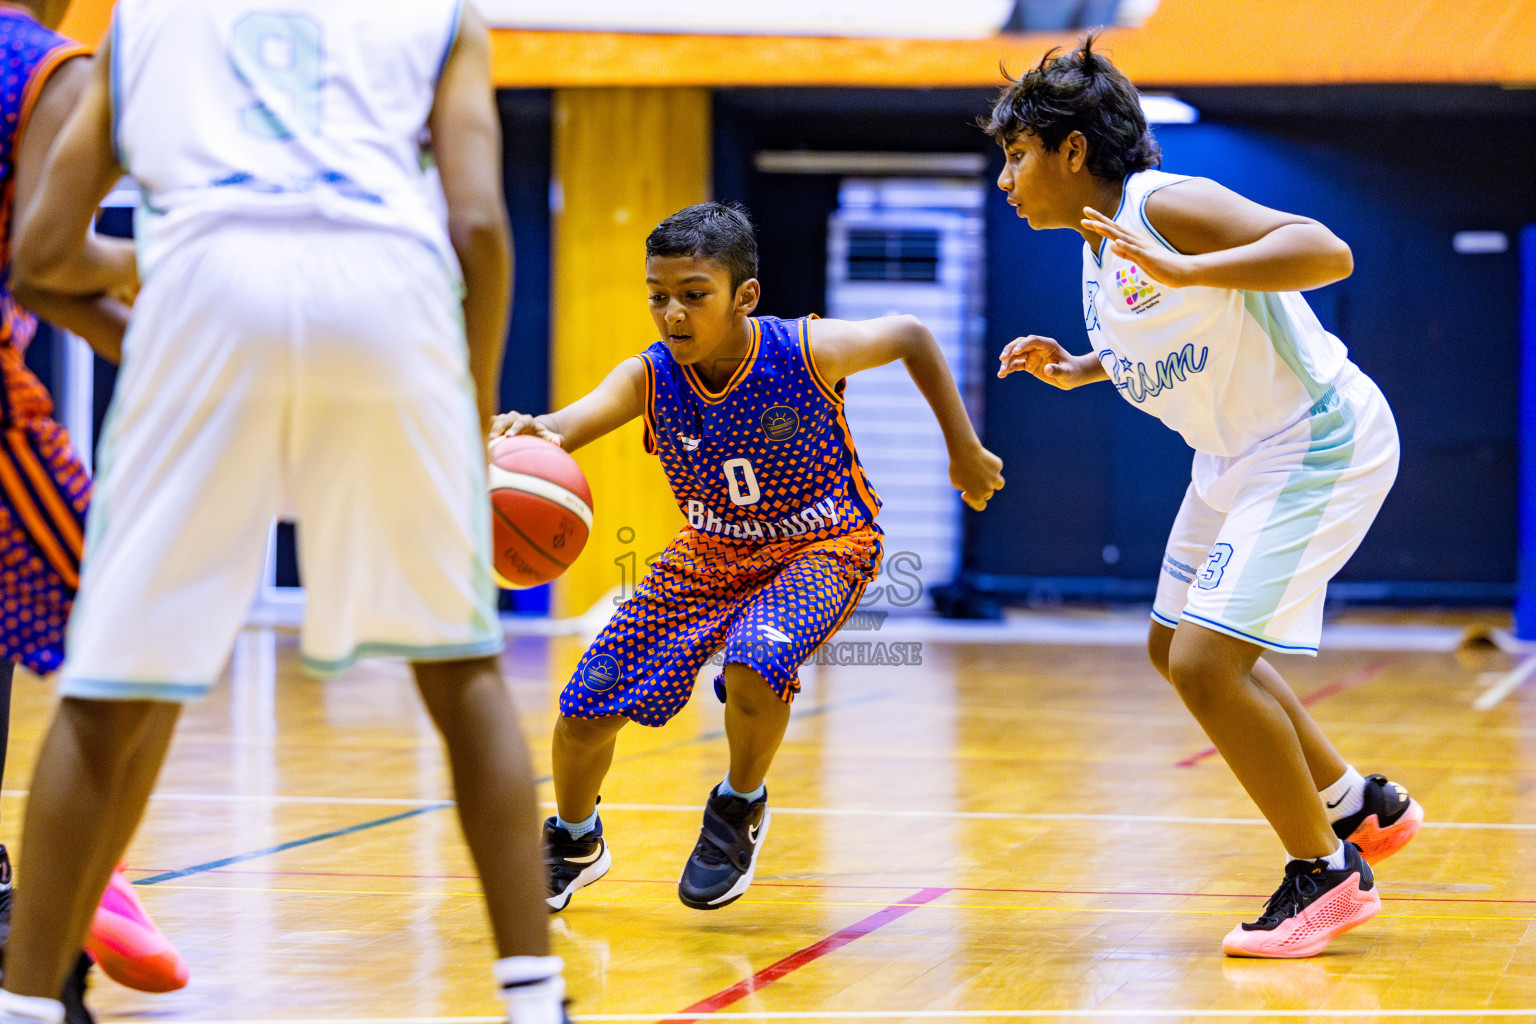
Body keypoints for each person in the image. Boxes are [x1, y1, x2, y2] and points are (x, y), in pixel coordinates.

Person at [0, 2, 565, 1023]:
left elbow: (43, 254)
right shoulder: (443, 19)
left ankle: (26, 1007)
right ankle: (537, 999)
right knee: (463, 672)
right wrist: (469, 421)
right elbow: (478, 226)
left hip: (203, 297)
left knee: (108, 691)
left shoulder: (144, 23)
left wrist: (165, 302)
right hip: (387, 296)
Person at [987, 37, 1422, 958]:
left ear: (1072, 151)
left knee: (1204, 665)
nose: (1007, 180)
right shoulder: (1096, 244)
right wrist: (1081, 367)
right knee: (1170, 645)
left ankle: (1328, 872)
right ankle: (1358, 805)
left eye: (1018, 155)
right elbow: (1169, 329)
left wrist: (1187, 266)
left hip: (1313, 441)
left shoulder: (1162, 203)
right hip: (1229, 458)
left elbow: (1326, 249)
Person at [492, 201, 1004, 913]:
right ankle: (577, 838)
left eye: (693, 295)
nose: (672, 314)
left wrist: (963, 448)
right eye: (658, 296)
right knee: (582, 708)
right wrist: (530, 434)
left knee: (756, 660)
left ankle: (739, 804)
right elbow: (565, 425)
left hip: (824, 546)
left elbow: (913, 335)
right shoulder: (650, 376)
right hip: (709, 558)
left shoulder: (805, 351)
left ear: (744, 296)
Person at [0, 0, 186, 1016]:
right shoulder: (53, 69)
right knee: (149, 640)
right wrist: (176, 268)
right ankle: (60, 935)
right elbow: (46, 258)